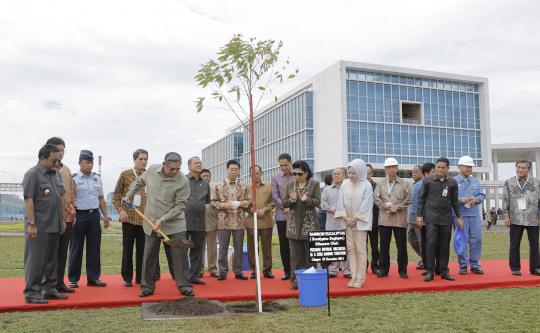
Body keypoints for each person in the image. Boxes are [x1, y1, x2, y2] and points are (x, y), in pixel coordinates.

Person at [125, 152, 194, 297]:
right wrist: (129, 195)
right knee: (149, 256)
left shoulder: (183, 181)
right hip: (151, 222)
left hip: (175, 224)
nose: (175, 172)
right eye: (172, 169)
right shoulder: (151, 171)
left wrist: (163, 219)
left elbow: (180, 206)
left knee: (179, 256)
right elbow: (138, 182)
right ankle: (147, 287)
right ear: (164, 165)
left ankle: (184, 286)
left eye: (178, 169)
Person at [22, 144, 68, 304]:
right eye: (53, 159)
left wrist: (62, 220)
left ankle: (49, 289)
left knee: (51, 260)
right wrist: (32, 223)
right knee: (35, 260)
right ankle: (31, 293)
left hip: (54, 224)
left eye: (58, 159)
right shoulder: (32, 174)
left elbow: (59, 197)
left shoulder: (55, 174)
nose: (56, 163)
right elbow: (28, 200)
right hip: (39, 226)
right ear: (42, 158)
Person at [69, 150, 110, 288]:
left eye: (91, 162)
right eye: (87, 162)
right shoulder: (73, 178)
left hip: (94, 216)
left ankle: (93, 278)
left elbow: (101, 198)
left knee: (94, 248)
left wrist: (105, 215)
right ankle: (73, 279)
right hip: (79, 215)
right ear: (79, 162)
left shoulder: (97, 178)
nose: (90, 165)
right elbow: (69, 199)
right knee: (76, 247)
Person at [417, 157, 463, 282]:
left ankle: (444, 271)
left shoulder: (452, 183)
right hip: (430, 218)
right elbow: (421, 199)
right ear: (436, 168)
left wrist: (459, 217)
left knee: (444, 245)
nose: (440, 169)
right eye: (438, 167)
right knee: (430, 244)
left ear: (448, 168)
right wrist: (419, 216)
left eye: (443, 167)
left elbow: (455, 202)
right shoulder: (427, 181)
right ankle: (430, 271)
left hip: (446, 219)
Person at [112, 149, 148, 287]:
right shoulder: (125, 175)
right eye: (141, 159)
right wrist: (120, 211)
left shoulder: (150, 176)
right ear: (134, 160)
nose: (143, 161)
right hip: (128, 218)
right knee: (128, 249)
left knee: (143, 250)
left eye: (145, 159)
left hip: (144, 219)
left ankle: (141, 277)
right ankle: (127, 277)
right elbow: (116, 197)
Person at [335, 159, 373, 288]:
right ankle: (353, 276)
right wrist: (346, 218)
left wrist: (355, 219)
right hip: (347, 222)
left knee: (360, 250)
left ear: (361, 172)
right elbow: (340, 202)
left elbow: (366, 205)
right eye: (349, 173)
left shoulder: (366, 185)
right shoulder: (345, 184)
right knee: (350, 249)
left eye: (354, 173)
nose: (351, 175)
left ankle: (361, 278)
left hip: (360, 223)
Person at [212, 159, 252, 281]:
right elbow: (213, 202)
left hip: (239, 222)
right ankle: (223, 271)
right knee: (223, 248)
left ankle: (238, 271)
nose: (234, 172)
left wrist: (240, 203)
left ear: (239, 171)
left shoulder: (244, 187)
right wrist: (224, 205)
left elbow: (249, 201)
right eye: (231, 169)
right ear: (227, 170)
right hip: (223, 222)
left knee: (239, 247)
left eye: (236, 169)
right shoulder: (218, 186)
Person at [283, 160, 321, 290]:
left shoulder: (314, 184)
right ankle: (295, 282)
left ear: (306, 173)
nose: (297, 176)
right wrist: (292, 200)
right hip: (293, 227)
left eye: (300, 174)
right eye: (295, 174)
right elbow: (284, 203)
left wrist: (308, 200)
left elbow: (317, 202)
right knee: (295, 257)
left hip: (309, 225)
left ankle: (310, 281)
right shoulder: (290, 185)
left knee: (310, 257)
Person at [45, 137, 76, 294]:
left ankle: (59, 283)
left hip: (67, 217)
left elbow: (71, 191)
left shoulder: (66, 170)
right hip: (51, 219)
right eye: (57, 150)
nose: (60, 153)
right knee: (50, 253)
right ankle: (48, 286)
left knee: (63, 252)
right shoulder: (44, 169)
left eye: (63, 150)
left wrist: (73, 208)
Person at [374, 157, 412, 279]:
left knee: (401, 246)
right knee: (384, 246)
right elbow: (376, 198)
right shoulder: (380, 183)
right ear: (385, 169)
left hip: (399, 219)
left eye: (393, 167)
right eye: (388, 167)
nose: (391, 169)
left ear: (397, 168)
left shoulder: (404, 183)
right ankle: (383, 270)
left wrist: (398, 207)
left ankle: (403, 270)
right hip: (384, 219)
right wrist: (385, 206)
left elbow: (409, 199)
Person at [503, 160, 540, 276]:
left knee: (534, 244)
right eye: (518, 167)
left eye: (523, 168)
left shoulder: (536, 182)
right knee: (514, 243)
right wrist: (506, 216)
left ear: (528, 169)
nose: (520, 170)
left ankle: (535, 268)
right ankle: (515, 268)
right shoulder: (509, 182)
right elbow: (505, 200)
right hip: (515, 217)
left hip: (533, 218)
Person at [454, 156, 485, 275]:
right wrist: (460, 199)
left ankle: (474, 265)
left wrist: (476, 200)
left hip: (474, 215)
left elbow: (482, 195)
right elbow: (449, 198)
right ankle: (463, 265)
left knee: (476, 239)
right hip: (460, 215)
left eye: (470, 167)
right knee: (461, 240)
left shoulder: (475, 181)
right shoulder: (453, 181)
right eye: (466, 167)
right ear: (460, 167)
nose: (469, 169)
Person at [185, 156, 211, 285]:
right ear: (189, 166)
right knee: (182, 250)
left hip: (200, 221)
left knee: (197, 250)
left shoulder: (205, 183)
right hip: (183, 221)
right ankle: (183, 277)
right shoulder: (182, 180)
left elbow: (207, 201)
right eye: (196, 163)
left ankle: (194, 275)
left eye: (200, 163)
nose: (199, 165)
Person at [246, 165, 275, 279]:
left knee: (267, 247)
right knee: (252, 248)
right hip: (251, 222)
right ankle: (254, 270)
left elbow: (274, 202)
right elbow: (243, 203)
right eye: (252, 174)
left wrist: (265, 210)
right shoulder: (246, 188)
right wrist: (250, 209)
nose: (255, 176)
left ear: (261, 174)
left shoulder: (269, 186)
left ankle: (267, 270)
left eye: (257, 173)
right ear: (249, 175)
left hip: (266, 221)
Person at [321, 168, 351, 278]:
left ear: (344, 176)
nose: (336, 176)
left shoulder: (348, 189)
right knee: (333, 247)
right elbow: (322, 205)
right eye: (334, 174)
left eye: (338, 174)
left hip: (346, 223)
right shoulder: (326, 189)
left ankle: (347, 270)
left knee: (348, 248)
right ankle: (333, 270)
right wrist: (332, 209)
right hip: (332, 223)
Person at [271, 153, 295, 280]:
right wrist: (285, 206)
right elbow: (274, 196)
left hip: (296, 215)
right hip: (281, 216)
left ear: (291, 163)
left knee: (296, 244)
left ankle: (297, 270)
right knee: (284, 244)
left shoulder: (297, 175)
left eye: (286, 165)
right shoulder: (275, 178)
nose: (283, 167)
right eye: (281, 165)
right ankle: (287, 271)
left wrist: (292, 207)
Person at [415, 162, 438, 274]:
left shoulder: (437, 183)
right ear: (426, 173)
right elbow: (417, 203)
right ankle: (429, 267)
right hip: (424, 220)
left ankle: (433, 267)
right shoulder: (419, 185)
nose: (436, 173)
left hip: (433, 219)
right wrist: (418, 217)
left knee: (431, 244)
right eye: (433, 172)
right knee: (426, 244)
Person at [201, 169, 219, 278]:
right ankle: (199, 269)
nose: (206, 177)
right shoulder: (195, 189)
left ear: (210, 177)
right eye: (203, 176)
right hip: (198, 224)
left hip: (212, 223)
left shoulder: (215, 190)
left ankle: (212, 269)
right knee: (199, 248)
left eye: (208, 176)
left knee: (212, 248)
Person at [408, 164, 424, 269]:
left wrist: (420, 216)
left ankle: (425, 260)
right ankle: (423, 257)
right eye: (412, 172)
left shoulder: (424, 184)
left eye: (416, 172)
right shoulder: (413, 185)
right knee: (410, 237)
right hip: (411, 217)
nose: (413, 174)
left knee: (421, 239)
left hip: (420, 216)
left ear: (422, 172)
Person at [366, 164, 380, 274]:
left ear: (372, 173)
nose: (366, 175)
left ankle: (375, 265)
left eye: (368, 173)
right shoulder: (358, 185)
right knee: (362, 245)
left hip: (374, 220)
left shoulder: (377, 186)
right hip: (361, 220)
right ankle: (363, 265)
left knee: (374, 245)